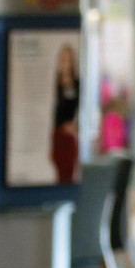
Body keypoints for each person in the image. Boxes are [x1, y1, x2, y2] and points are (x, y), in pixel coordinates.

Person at [52, 43, 80, 184]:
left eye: (68, 59)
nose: (65, 63)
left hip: (70, 135)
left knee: (69, 169)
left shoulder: (77, 84)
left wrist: (75, 126)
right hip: (58, 133)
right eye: (63, 59)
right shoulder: (55, 84)